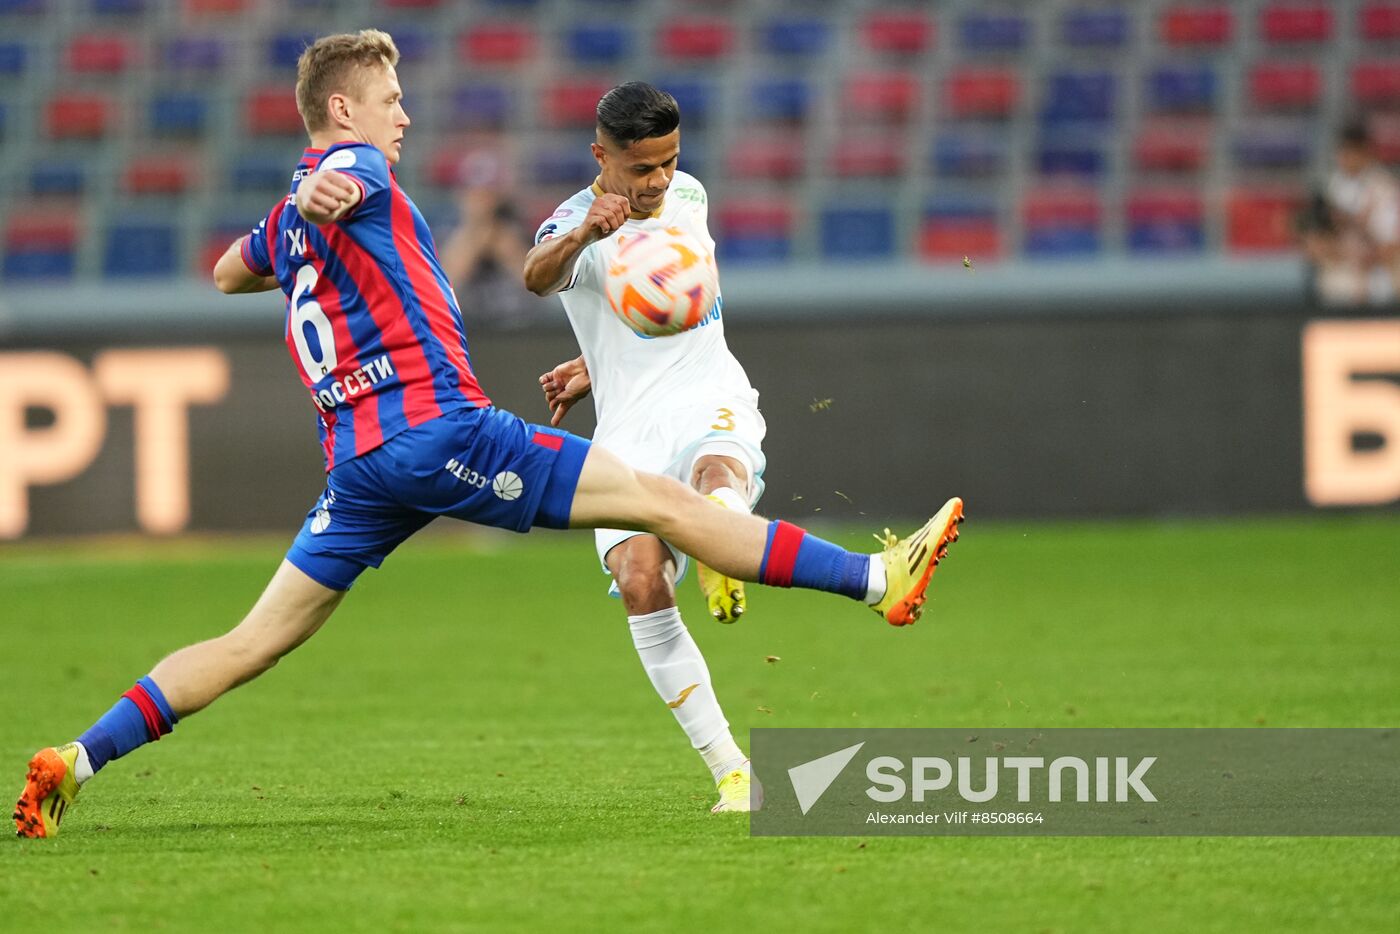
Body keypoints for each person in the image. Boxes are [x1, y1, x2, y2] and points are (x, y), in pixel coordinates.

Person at [12, 30, 964, 839]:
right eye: (390, 99)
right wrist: (317, 194)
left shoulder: (288, 224)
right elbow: (337, 181)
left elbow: (228, 271)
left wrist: (293, 222)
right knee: (663, 503)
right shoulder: (355, 171)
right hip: (438, 430)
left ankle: (75, 761)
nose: (404, 115)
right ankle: (878, 580)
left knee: (250, 640)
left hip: (357, 466)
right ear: (342, 110)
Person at [523, 82, 772, 811]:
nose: (659, 180)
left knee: (716, 471)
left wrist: (594, 361)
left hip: (707, 392)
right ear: (601, 157)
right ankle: (731, 771)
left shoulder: (689, 196)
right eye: (642, 168)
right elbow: (535, 277)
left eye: (670, 160)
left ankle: (719, 542)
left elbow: (682, 300)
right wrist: (584, 237)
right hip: (629, 431)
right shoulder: (573, 224)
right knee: (639, 580)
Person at [1303, 119, 1400, 305]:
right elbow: (1320, 242)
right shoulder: (1335, 186)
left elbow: (1390, 245)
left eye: (1349, 152)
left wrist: (1357, 230)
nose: (1343, 158)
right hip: (1337, 279)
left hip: (1377, 281)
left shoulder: (1383, 188)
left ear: (1364, 152)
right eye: (1341, 151)